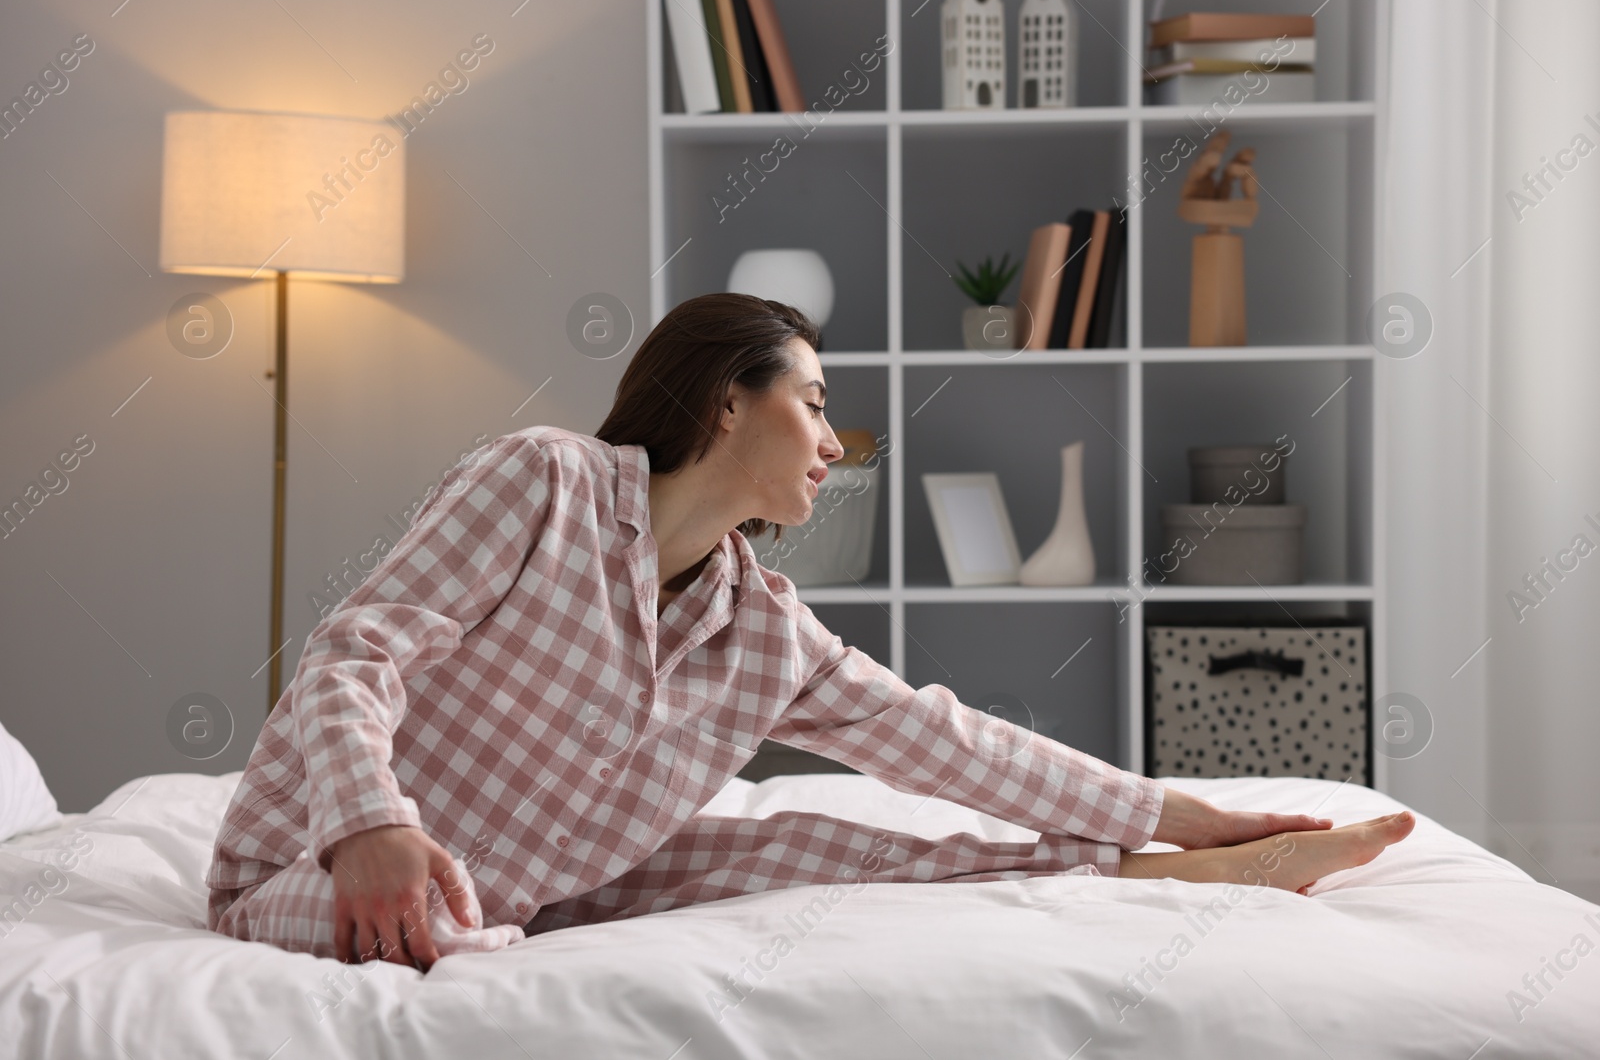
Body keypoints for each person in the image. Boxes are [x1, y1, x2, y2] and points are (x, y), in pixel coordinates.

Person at [206, 293, 1414, 971]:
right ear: (728, 397)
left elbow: (955, 746)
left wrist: (1178, 809)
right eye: (817, 402)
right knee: (440, 919)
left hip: (557, 889)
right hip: (312, 865)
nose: (837, 444)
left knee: (835, 844)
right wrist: (371, 821)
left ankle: (1169, 872)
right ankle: (464, 924)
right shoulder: (547, 480)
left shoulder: (765, 628)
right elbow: (354, 650)